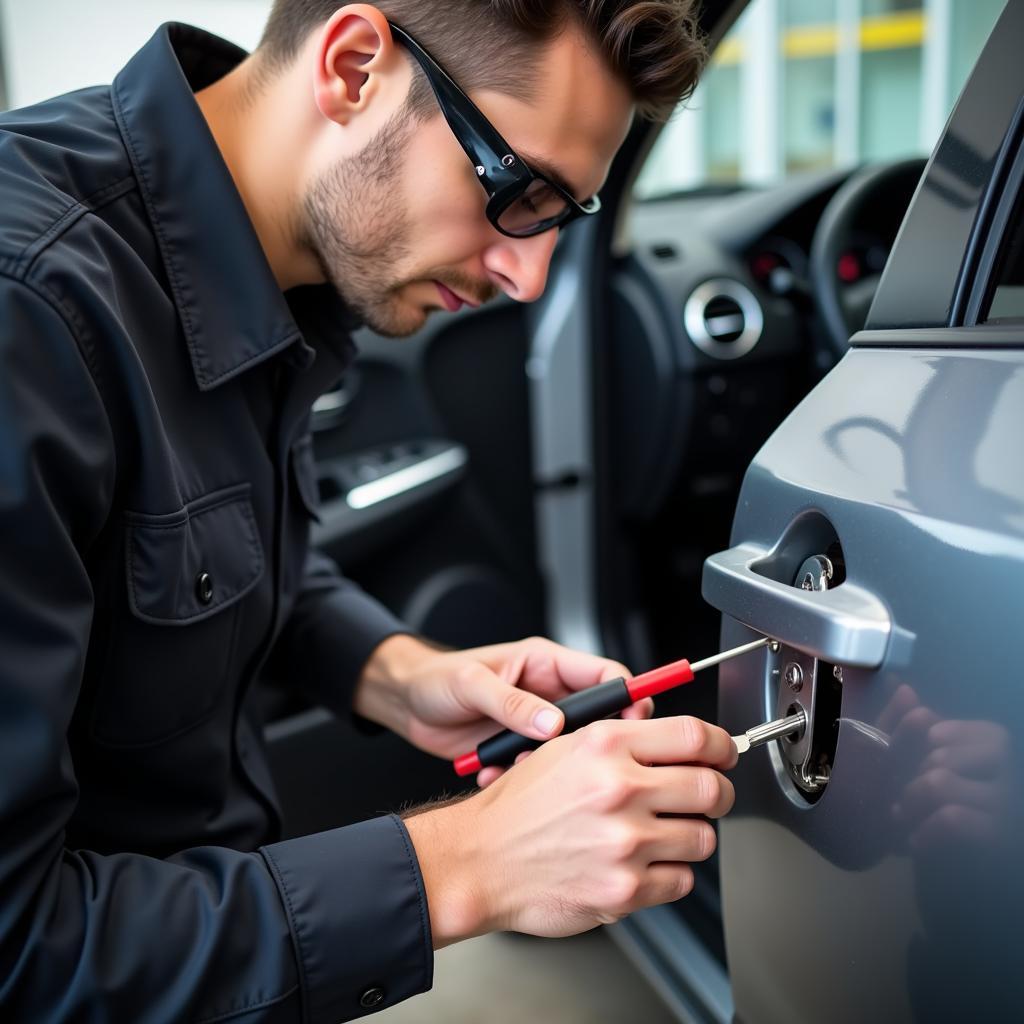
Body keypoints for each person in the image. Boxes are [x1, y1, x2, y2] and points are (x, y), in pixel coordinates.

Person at [0, 2, 735, 1020]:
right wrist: (463, 862)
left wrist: (402, 676)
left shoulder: (277, 258)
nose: (528, 278)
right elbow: (14, 950)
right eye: (519, 193)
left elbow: (215, 556)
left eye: (563, 220)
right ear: (351, 68)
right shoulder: (28, 314)